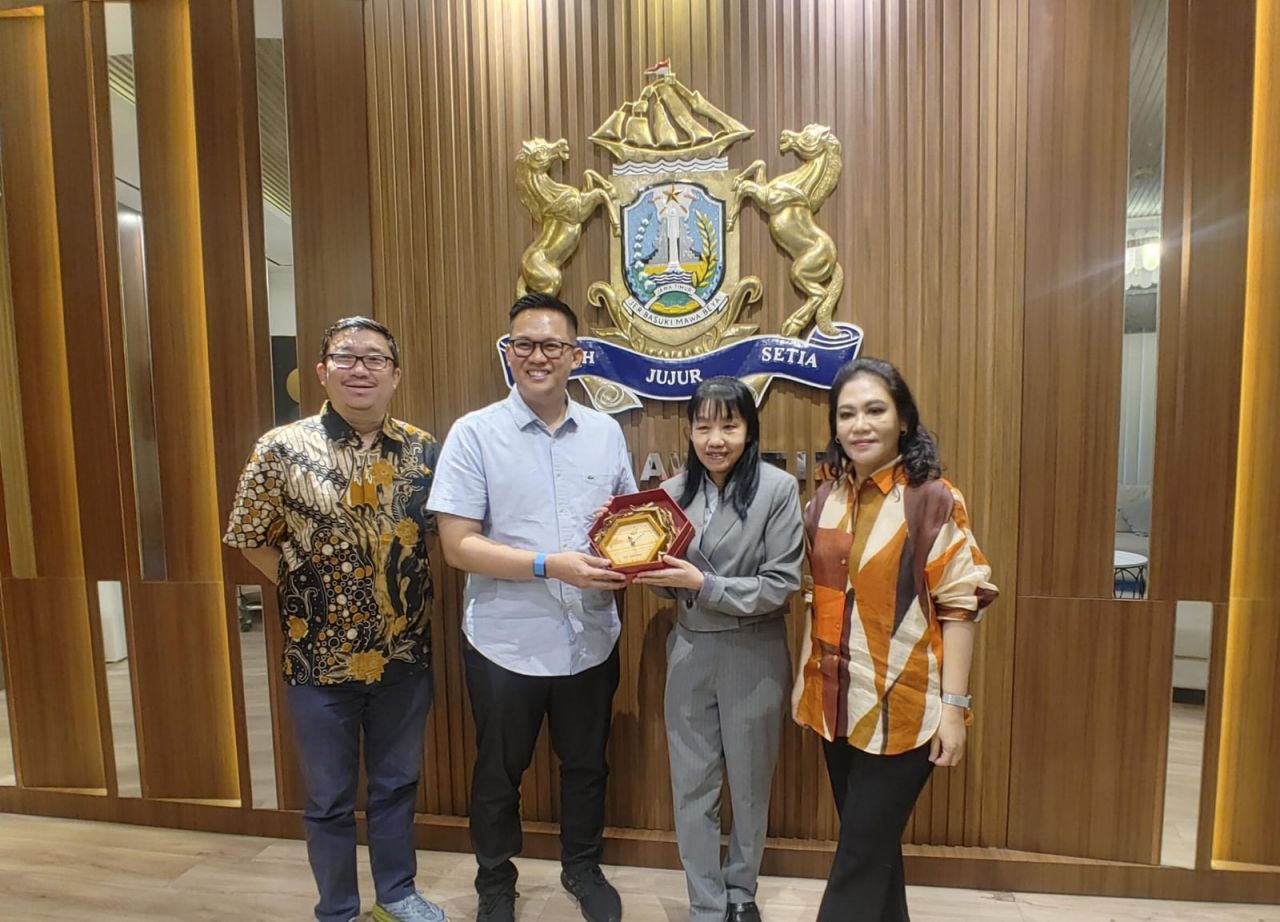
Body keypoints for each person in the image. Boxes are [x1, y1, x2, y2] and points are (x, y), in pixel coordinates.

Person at [224, 317, 447, 922]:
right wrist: (308, 588)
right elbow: (249, 536)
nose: (360, 369)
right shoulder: (280, 448)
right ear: (322, 372)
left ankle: (396, 894)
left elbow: (440, 535)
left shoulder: (424, 450)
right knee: (328, 797)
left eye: (375, 359)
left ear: (395, 375)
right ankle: (339, 909)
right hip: (316, 657)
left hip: (404, 654)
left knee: (397, 784)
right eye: (346, 357)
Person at [427, 292, 635, 922]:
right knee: (499, 774)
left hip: (590, 637)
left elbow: (627, 524)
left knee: (587, 767)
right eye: (523, 344)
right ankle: (495, 883)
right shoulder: (474, 433)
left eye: (551, 345)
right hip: (505, 641)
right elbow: (458, 546)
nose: (536, 357)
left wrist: (632, 561)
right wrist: (551, 564)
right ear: (508, 351)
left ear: (576, 355)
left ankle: (582, 868)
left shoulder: (605, 433)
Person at [791, 357, 998, 921]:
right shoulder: (825, 500)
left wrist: (954, 709)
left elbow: (960, 607)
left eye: (875, 410)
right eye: (847, 414)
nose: (860, 425)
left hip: (907, 708)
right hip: (836, 701)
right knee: (874, 851)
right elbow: (817, 596)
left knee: (858, 859)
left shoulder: (932, 500)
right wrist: (803, 678)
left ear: (903, 419)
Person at [634, 377, 803, 922]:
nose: (715, 439)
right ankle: (705, 904)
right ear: (688, 430)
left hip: (755, 652)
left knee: (751, 784)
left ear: (749, 430)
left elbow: (781, 584)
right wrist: (644, 568)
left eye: (729, 425)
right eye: (703, 425)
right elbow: (665, 583)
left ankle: (741, 891)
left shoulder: (777, 489)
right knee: (691, 786)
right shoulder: (671, 491)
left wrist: (703, 584)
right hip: (689, 649)